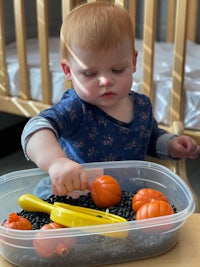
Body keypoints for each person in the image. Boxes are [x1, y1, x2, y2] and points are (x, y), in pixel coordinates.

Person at [21, 1, 200, 198]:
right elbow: (35, 129)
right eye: (89, 73)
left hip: (125, 197)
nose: (106, 80)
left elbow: (150, 137)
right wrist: (56, 162)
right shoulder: (75, 108)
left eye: (117, 69)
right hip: (75, 196)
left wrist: (170, 145)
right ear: (68, 71)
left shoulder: (141, 106)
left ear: (133, 62)